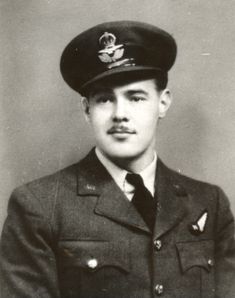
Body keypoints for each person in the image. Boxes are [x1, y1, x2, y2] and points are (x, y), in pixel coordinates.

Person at [0, 20, 235, 298]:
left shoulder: (208, 202)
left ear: (163, 103)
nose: (120, 114)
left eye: (135, 98)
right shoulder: (40, 206)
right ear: (87, 110)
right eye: (104, 100)